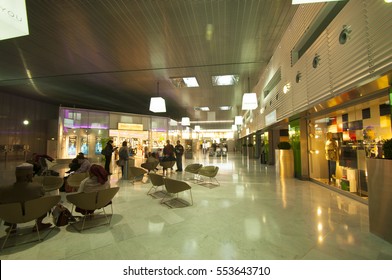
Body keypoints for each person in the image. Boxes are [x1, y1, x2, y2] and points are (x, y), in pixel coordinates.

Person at [0, 163, 52, 233]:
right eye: (32, 174)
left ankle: (12, 226)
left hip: (12, 217)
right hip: (32, 214)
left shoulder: (3, 190)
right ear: (28, 176)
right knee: (46, 201)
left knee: (7, 203)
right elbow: (44, 198)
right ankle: (39, 224)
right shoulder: (37, 187)